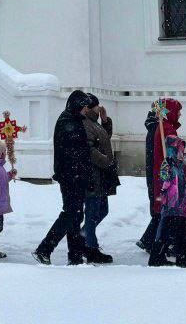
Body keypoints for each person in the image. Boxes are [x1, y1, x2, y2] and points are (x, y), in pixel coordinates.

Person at [34, 89, 91, 266]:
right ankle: (45, 248)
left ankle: (74, 255)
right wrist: (80, 173)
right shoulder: (69, 122)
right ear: (77, 105)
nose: (86, 110)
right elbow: (75, 154)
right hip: (71, 177)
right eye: (84, 106)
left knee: (75, 216)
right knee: (71, 214)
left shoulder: (72, 120)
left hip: (74, 176)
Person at [136, 97, 182, 251]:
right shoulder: (161, 128)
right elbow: (164, 155)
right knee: (163, 211)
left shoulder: (158, 127)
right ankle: (156, 243)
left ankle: (152, 241)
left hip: (158, 174)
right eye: (178, 111)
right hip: (161, 175)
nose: (180, 115)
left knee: (161, 210)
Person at [81, 95, 118, 264]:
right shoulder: (85, 124)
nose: (99, 109)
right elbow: (90, 150)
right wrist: (106, 161)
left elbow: (104, 138)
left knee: (102, 210)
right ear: (89, 108)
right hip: (93, 176)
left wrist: (106, 121)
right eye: (96, 107)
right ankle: (90, 247)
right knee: (92, 212)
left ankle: (84, 236)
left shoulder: (94, 123)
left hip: (101, 176)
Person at [148, 135, 186, 267]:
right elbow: (164, 181)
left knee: (184, 234)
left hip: (181, 207)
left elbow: (181, 183)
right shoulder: (167, 164)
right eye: (179, 150)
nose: (182, 153)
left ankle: (184, 259)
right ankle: (157, 259)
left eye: (182, 150)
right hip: (171, 206)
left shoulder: (179, 166)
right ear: (173, 150)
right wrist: (166, 174)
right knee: (166, 233)